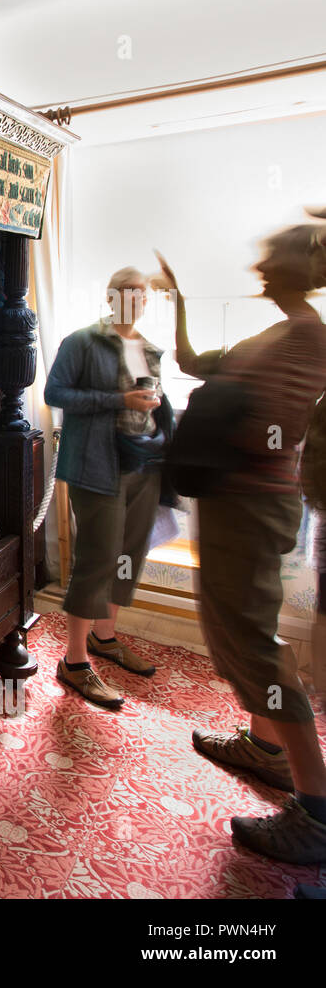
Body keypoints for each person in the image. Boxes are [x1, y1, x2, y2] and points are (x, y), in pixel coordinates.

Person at [178, 212, 326, 866]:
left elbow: (271, 422)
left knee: (255, 645)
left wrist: (218, 413)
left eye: (270, 258)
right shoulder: (275, 333)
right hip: (233, 502)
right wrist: (180, 301)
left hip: (253, 503)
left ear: (299, 269)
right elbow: (190, 362)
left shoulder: (308, 338)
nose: (258, 266)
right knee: (235, 632)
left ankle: (315, 813)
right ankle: (265, 748)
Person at [45, 266, 176, 708]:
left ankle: (105, 637)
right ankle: (74, 661)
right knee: (96, 559)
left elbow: (151, 400)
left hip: (142, 466)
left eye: (142, 295)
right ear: (110, 296)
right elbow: (55, 394)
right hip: (95, 467)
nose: (135, 300)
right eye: (126, 293)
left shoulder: (147, 348)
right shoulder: (82, 341)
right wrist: (118, 400)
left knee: (127, 555)